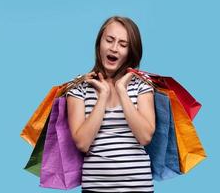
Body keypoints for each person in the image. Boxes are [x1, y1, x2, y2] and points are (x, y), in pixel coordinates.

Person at [66, 16, 155, 193]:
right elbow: (82, 143)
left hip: (139, 187)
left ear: (131, 51)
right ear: (99, 43)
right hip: (95, 188)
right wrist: (103, 95)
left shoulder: (142, 85)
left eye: (123, 44)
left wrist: (122, 90)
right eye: (109, 40)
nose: (114, 48)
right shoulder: (78, 87)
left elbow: (145, 137)